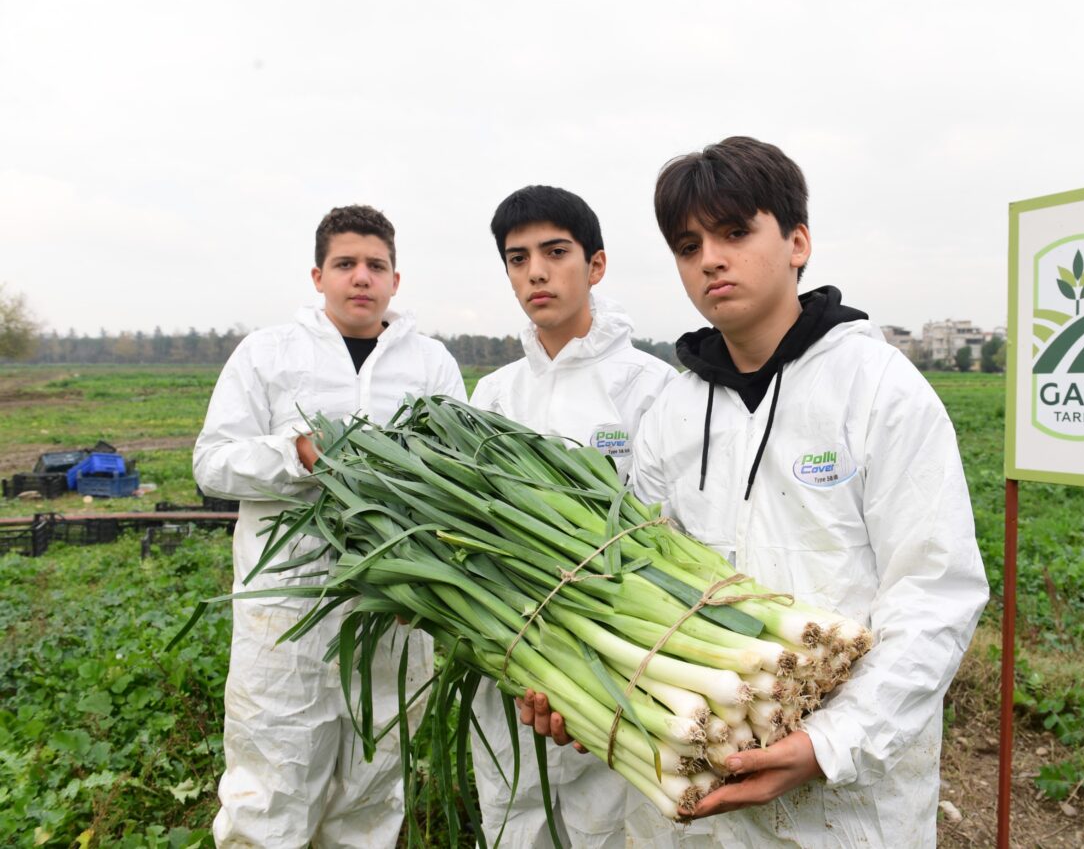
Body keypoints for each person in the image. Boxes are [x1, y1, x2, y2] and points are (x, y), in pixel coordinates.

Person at [523, 137, 989, 848]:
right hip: (695, 787)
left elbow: (936, 592)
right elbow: (630, 585)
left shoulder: (878, 388)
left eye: (735, 232)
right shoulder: (674, 413)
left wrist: (830, 741)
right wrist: (583, 689)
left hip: (846, 805)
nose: (710, 257)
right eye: (688, 244)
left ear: (797, 242)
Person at [193, 205, 466, 848]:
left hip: (392, 612)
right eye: (346, 264)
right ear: (318, 276)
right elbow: (212, 464)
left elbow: (457, 481)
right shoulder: (268, 354)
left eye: (376, 265)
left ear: (396, 280)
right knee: (272, 784)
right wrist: (296, 454)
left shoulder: (431, 365)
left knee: (374, 784)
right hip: (285, 612)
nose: (361, 278)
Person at [468, 185, 677, 848]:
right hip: (513, 670)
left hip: (620, 671)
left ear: (596, 265)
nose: (535, 271)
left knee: (615, 829)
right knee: (512, 819)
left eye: (555, 252)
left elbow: (670, 532)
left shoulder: (652, 386)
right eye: (517, 257)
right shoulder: (493, 394)